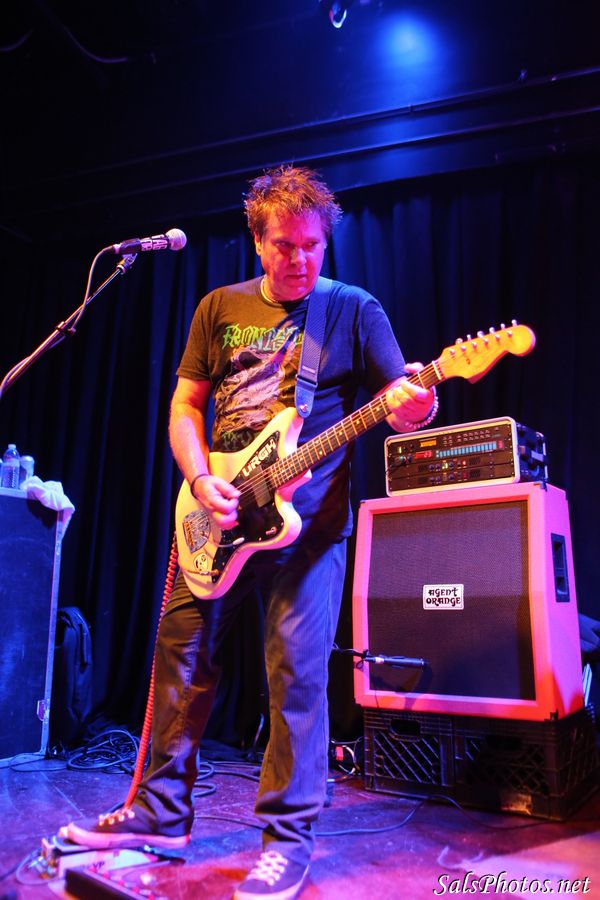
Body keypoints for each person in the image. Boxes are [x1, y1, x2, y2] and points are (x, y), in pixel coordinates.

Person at [60, 165, 437, 899]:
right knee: (180, 662)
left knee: (296, 674)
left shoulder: (353, 310)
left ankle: (286, 841)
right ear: (258, 242)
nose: (300, 259)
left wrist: (417, 404)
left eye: (312, 245)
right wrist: (201, 478)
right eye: (284, 245)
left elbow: (402, 407)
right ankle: (160, 815)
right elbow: (185, 407)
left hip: (309, 530)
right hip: (218, 515)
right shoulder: (218, 306)